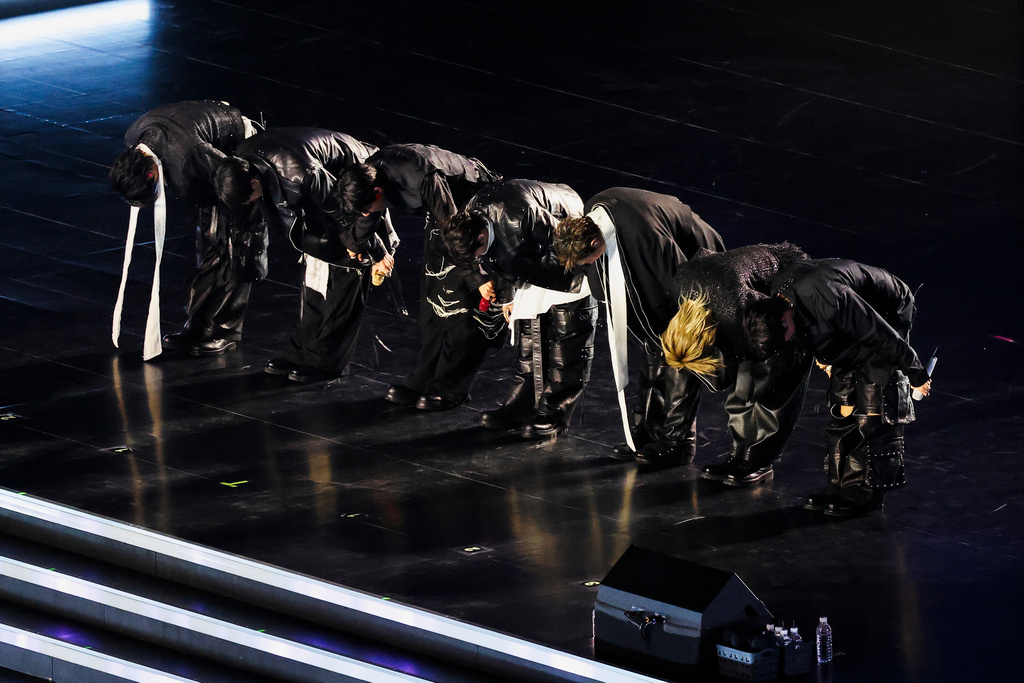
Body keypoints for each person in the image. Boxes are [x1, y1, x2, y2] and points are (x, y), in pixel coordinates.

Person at [742, 258, 932, 517]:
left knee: (873, 399)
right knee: (843, 404)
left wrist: (916, 372)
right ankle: (841, 483)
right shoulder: (779, 300)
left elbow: (880, 334)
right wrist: (825, 357)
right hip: (838, 317)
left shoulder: (830, 299)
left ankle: (867, 490)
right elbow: (809, 333)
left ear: (785, 319)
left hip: (885, 310)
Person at [552, 187, 724, 464]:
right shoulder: (594, 213)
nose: (588, 265)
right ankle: (648, 431)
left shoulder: (644, 235)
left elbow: (682, 280)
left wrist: (684, 330)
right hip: (647, 257)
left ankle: (678, 441)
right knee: (654, 348)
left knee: (679, 353)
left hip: (692, 261)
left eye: (588, 260)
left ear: (595, 241)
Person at [216, 127, 396, 382]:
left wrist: (376, 251)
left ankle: (326, 362)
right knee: (314, 278)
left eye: (249, 199)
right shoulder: (243, 162)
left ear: (254, 183)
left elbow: (346, 212)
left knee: (344, 273)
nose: (251, 203)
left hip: (353, 184)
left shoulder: (302, 174)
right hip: (318, 196)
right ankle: (301, 352)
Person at [333, 144, 501, 410]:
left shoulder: (422, 177)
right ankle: (424, 378)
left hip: (470, 214)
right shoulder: (370, 173)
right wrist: (355, 243)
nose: (367, 213)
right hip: (443, 216)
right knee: (433, 299)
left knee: (458, 303)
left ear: (378, 192)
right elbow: (369, 213)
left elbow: (454, 229)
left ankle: (450, 388)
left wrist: (476, 276)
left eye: (366, 207)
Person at [442, 179, 593, 439]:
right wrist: (508, 297)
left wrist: (583, 280)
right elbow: (496, 257)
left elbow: (567, 243)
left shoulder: (522, 217)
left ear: (481, 236)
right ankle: (522, 404)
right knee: (528, 328)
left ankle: (555, 411)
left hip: (565, 232)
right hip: (529, 247)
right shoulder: (468, 221)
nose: (477, 258)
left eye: (476, 252)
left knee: (566, 333)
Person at [110, 100, 258, 357]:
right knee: (208, 246)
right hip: (204, 161)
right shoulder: (134, 138)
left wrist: (245, 209)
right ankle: (198, 327)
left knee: (234, 249)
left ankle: (223, 331)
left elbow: (233, 175)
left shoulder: (187, 155)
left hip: (234, 155)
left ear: (150, 174)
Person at [660, 244, 813, 484]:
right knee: (744, 378)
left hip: (791, 277)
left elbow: (775, 318)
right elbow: (704, 255)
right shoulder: (679, 286)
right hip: (737, 287)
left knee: (772, 381)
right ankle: (738, 454)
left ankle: (759, 460)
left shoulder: (735, 308)